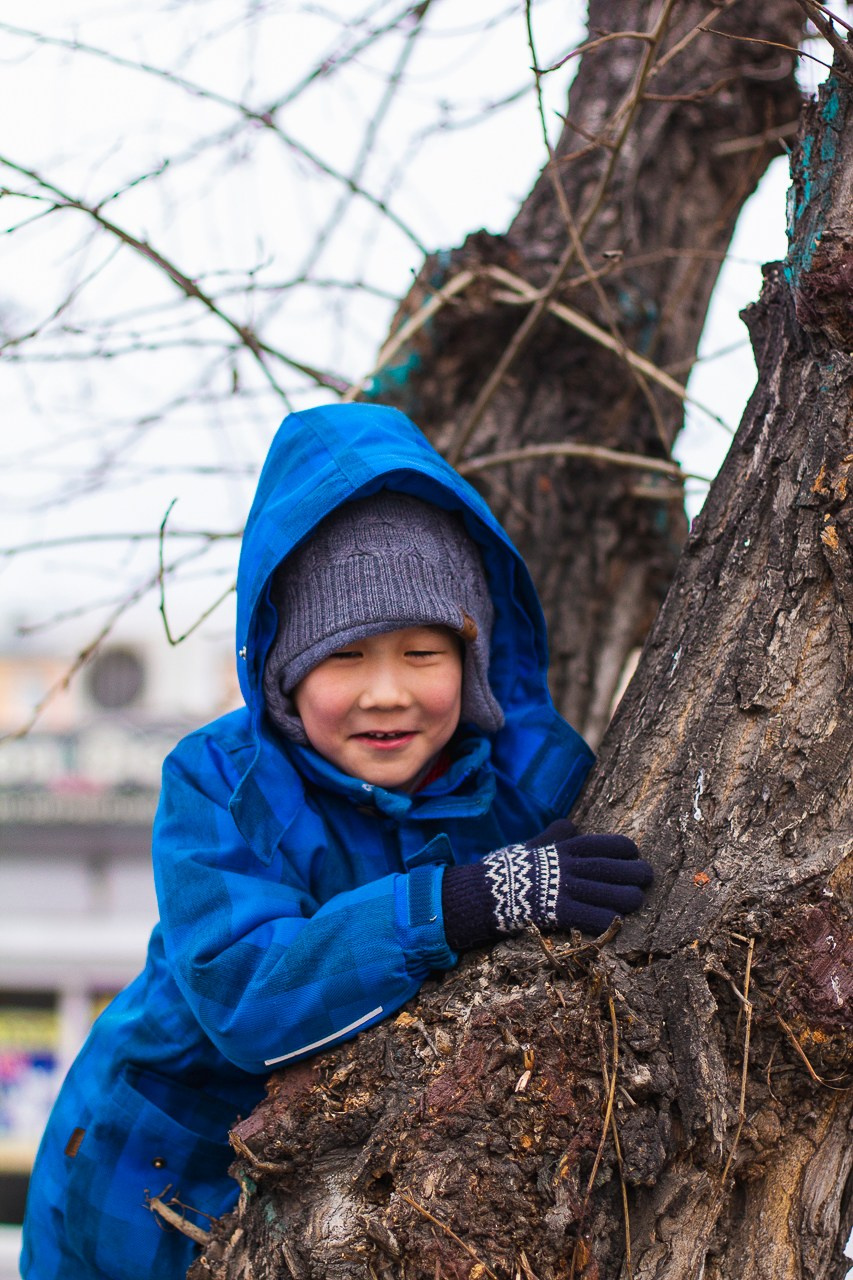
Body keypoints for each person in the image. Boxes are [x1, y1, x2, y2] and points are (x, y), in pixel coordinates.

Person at [21, 402, 652, 1279]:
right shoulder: (217, 785)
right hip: (156, 1166)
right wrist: (467, 901)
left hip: (376, 1186)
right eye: (344, 657)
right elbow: (248, 992)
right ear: (281, 666)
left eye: (422, 654)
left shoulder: (531, 772)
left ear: (470, 659)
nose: (385, 692)